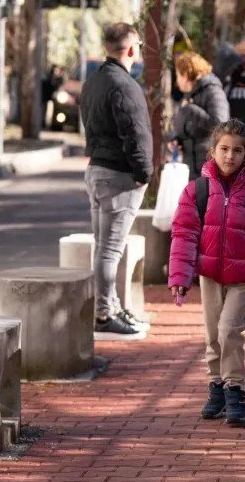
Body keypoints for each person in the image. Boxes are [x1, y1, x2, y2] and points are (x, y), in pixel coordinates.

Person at [167, 119, 245, 428]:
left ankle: (235, 390)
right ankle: (216, 386)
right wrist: (179, 276)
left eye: (237, 151)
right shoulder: (198, 190)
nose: (230, 156)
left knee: (229, 330)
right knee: (213, 335)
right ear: (213, 150)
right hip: (210, 274)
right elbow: (184, 234)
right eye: (224, 149)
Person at [80, 23, 153, 339]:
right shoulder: (125, 85)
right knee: (110, 249)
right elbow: (136, 134)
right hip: (118, 175)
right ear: (132, 49)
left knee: (105, 247)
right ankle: (105, 313)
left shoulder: (93, 81)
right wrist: (144, 173)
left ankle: (111, 306)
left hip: (97, 169)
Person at [171, 51, 230, 179]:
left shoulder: (213, 90)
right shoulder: (190, 94)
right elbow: (190, 126)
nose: (177, 82)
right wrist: (177, 139)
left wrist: (190, 109)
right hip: (192, 167)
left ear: (186, 74)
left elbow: (220, 125)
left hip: (210, 167)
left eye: (178, 76)